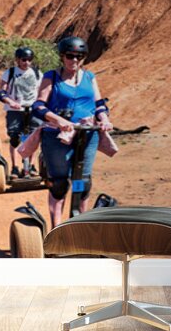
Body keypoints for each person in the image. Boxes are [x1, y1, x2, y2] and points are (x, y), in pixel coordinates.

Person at [32, 36, 113, 228]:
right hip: (56, 136)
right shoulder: (51, 76)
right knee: (59, 184)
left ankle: (78, 227)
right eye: (70, 56)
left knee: (82, 182)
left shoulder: (89, 77)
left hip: (87, 134)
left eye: (79, 56)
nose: (74, 60)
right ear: (62, 56)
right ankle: (57, 228)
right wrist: (59, 120)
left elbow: (99, 104)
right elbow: (38, 105)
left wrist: (105, 120)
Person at [0, 47, 43, 178]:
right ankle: (15, 168)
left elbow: (43, 91)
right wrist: (9, 102)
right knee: (15, 139)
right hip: (15, 110)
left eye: (29, 60)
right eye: (24, 60)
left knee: (34, 138)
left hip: (33, 110)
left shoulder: (37, 73)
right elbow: (1, 92)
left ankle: (32, 166)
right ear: (17, 59)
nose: (27, 62)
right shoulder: (9, 73)